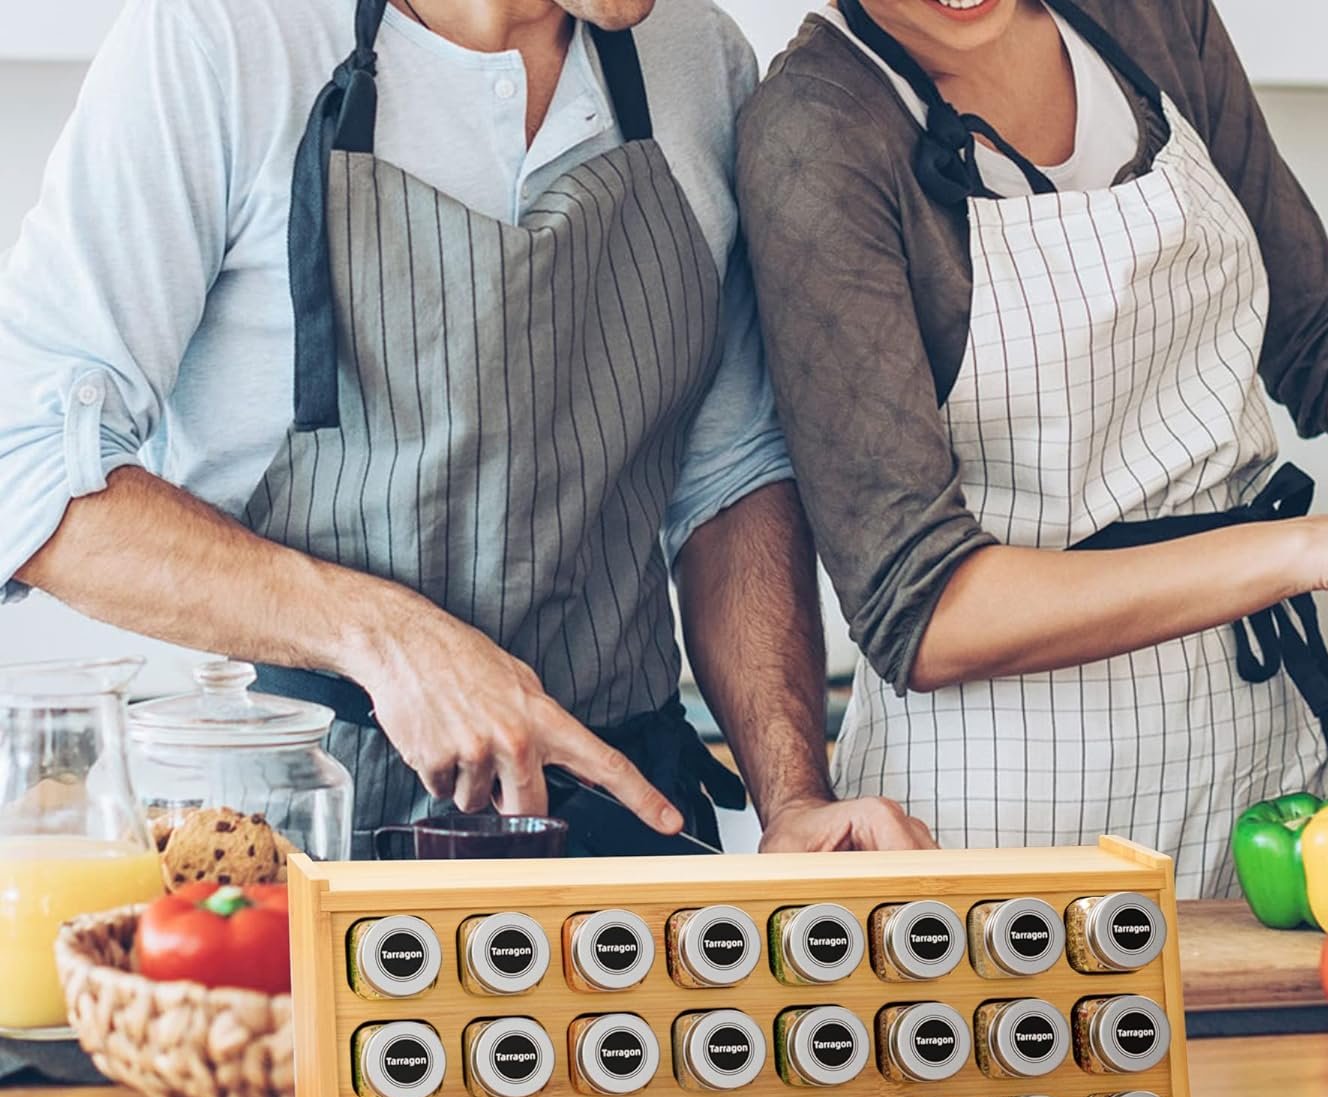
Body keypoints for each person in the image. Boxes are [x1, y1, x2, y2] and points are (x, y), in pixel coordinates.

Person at [0, 0, 933, 857]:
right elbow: (29, 466)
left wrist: (793, 798)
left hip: (618, 839)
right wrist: (384, 637)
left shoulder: (698, 57)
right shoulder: (226, 40)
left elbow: (729, 480)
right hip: (298, 832)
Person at [737, 0, 1328, 894]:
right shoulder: (817, 129)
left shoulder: (1151, 20)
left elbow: (1323, 340)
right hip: (999, 825)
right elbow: (927, 610)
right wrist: (1316, 548)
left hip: (1260, 781)